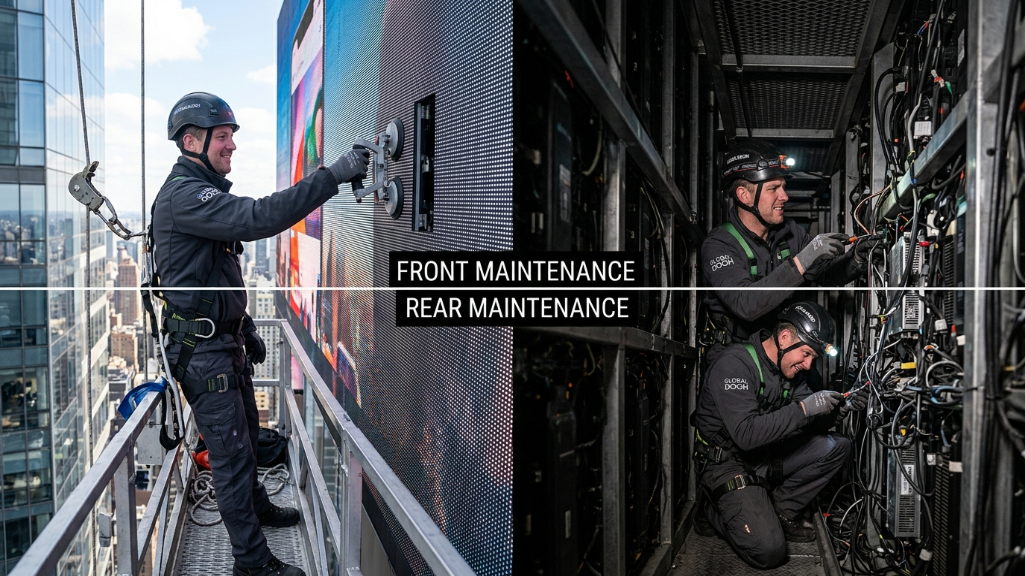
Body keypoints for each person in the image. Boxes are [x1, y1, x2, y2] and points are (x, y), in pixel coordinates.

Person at [151, 92, 370, 576]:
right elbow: (259, 218)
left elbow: (210, 276)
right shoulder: (186, 195)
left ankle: (260, 510)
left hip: (220, 344)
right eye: (223, 137)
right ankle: (251, 564)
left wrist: (243, 325)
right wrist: (333, 174)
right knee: (229, 458)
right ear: (191, 141)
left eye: (231, 136)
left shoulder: (201, 190)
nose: (232, 146)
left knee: (246, 439)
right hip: (204, 353)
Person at [692, 301, 869, 568]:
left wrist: (841, 409)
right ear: (785, 337)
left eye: (813, 358)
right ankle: (710, 507)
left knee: (838, 446)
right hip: (726, 464)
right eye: (807, 354)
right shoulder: (734, 365)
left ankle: (781, 509)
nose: (808, 365)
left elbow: (810, 421)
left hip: (764, 457)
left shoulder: (788, 373)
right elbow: (746, 435)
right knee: (769, 551)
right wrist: (803, 408)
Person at [701, 139, 879, 363]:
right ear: (743, 196)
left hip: (783, 355)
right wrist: (801, 261)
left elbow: (824, 274)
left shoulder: (790, 233)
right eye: (773, 189)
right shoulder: (719, 245)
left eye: (783, 187)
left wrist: (856, 259)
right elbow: (745, 305)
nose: (784, 196)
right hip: (737, 358)